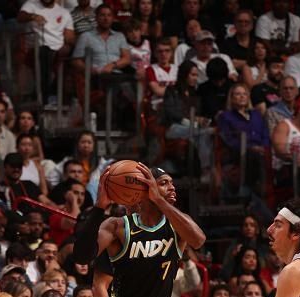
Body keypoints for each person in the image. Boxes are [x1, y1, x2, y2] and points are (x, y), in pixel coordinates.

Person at [73, 164, 206, 297]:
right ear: (144, 189)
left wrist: (159, 200)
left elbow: (198, 241)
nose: (172, 187)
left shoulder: (178, 225)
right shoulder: (117, 226)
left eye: (171, 183)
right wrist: (99, 207)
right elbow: (81, 257)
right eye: (163, 183)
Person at [162, 60, 214, 181]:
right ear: (184, 74)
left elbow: (198, 114)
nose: (195, 78)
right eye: (193, 75)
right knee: (204, 132)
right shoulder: (172, 90)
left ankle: (200, 171)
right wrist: (192, 120)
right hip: (174, 127)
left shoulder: (195, 94)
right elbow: (170, 112)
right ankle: (205, 169)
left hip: (193, 129)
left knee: (202, 136)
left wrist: (202, 120)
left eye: (197, 75)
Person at [18, 0, 75, 103]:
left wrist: (68, 45)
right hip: (35, 50)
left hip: (57, 51)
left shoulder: (64, 12)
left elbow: (69, 36)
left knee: (73, 54)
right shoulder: (31, 4)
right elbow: (21, 17)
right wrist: (33, 17)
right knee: (44, 51)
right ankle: (44, 96)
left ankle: (55, 94)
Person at [72, 4, 131, 76]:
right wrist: (91, 70)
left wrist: (112, 65)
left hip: (117, 75)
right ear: (96, 18)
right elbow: (76, 61)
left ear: (113, 19)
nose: (106, 18)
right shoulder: (86, 36)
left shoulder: (119, 36)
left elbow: (127, 58)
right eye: (102, 15)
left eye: (109, 15)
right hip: (96, 76)